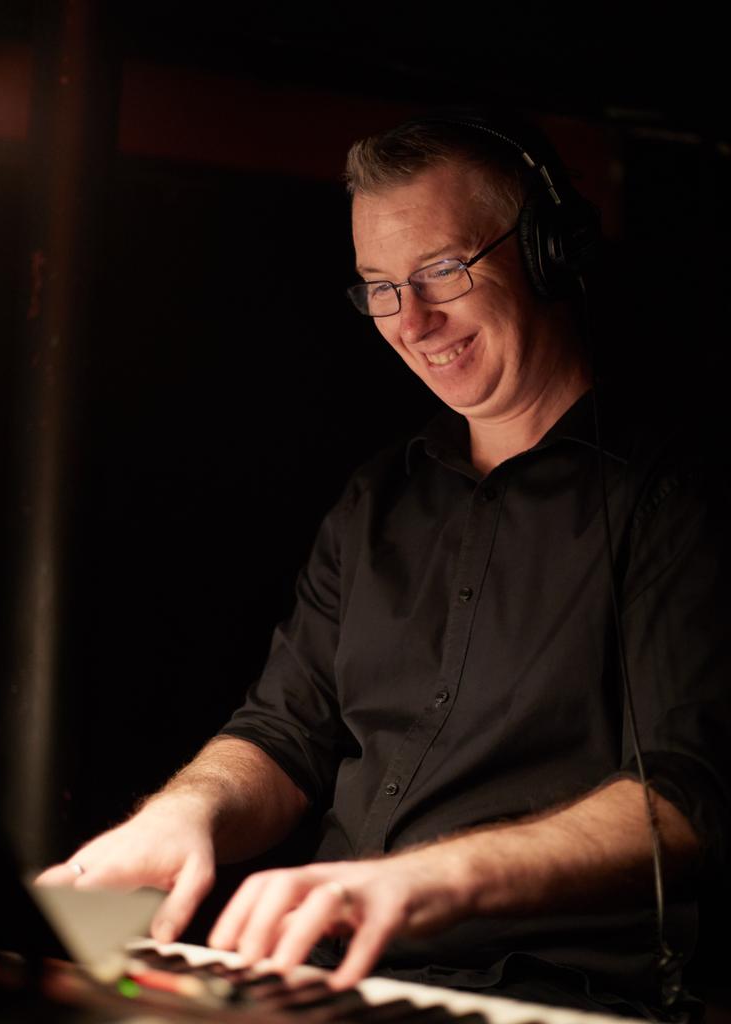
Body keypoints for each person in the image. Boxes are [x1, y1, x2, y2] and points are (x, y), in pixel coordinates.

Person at [37, 108, 730, 1019]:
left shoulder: (683, 494)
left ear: (548, 250)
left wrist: (412, 885)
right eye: (380, 287)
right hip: (339, 980)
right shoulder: (377, 502)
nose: (414, 321)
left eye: (442, 269)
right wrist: (186, 813)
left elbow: (692, 795)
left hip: (554, 995)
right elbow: (284, 731)